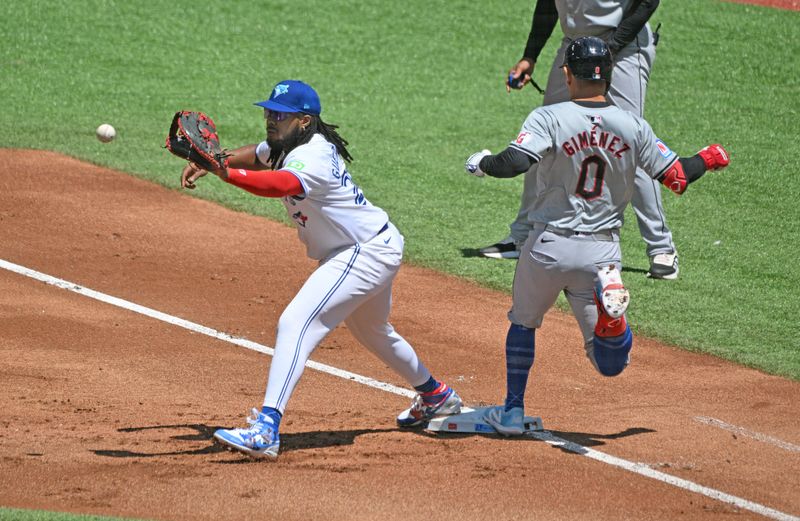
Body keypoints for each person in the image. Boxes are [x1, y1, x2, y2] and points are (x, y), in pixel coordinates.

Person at [180, 80, 462, 458]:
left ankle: (265, 429)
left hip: (363, 252)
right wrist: (218, 159)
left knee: (295, 322)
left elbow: (278, 184)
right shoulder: (286, 144)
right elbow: (259, 155)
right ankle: (436, 396)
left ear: (304, 121)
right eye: (267, 111)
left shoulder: (311, 157)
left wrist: (223, 173)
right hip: (375, 243)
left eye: (278, 114)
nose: (269, 119)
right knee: (373, 330)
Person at [464, 37, 729, 435]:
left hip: (548, 248)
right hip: (602, 254)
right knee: (609, 365)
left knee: (523, 322)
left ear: (568, 75)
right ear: (608, 77)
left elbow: (514, 162)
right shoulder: (634, 125)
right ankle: (613, 320)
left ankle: (513, 413)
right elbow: (676, 177)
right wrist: (708, 157)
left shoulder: (549, 117)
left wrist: (481, 163)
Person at [481, 0, 680, 280]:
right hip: (575, 46)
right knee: (543, 137)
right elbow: (548, 4)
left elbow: (647, 2)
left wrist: (611, 48)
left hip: (623, 46)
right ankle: (522, 235)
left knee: (628, 144)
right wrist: (531, 56)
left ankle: (661, 248)